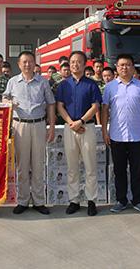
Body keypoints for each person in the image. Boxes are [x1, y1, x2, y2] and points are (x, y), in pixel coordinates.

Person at [3, 51, 55, 215]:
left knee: (38, 164)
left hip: (39, 125)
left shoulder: (43, 82)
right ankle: (23, 200)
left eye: (30, 61)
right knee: (22, 165)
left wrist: (52, 126)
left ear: (35, 64)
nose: (27, 65)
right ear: (19, 64)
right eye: (24, 62)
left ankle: (39, 201)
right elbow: (4, 98)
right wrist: (9, 102)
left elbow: (51, 104)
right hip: (20, 126)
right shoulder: (12, 82)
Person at [101, 53, 140, 214]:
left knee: (137, 170)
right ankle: (121, 200)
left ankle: (138, 201)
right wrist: (104, 131)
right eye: (121, 65)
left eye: (128, 65)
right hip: (116, 136)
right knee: (119, 171)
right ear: (117, 68)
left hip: (137, 136)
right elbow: (105, 110)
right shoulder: (110, 87)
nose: (124, 67)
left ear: (133, 68)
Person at [55, 51, 102, 216]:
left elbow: (95, 106)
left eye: (79, 62)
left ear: (84, 64)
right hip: (69, 128)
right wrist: (71, 123)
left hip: (87, 127)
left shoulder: (91, 84)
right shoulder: (63, 85)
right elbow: (59, 106)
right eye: (72, 62)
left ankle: (91, 201)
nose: (75, 64)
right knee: (72, 167)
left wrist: (80, 121)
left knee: (90, 166)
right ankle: (74, 200)